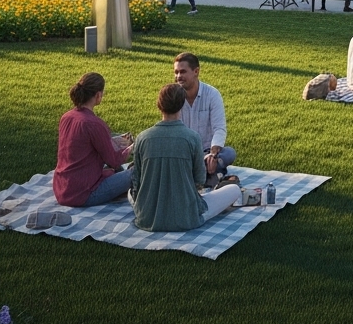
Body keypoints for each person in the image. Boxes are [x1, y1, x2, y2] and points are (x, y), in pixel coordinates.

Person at [129, 83, 241, 232]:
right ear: (181, 105)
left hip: (147, 216)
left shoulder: (142, 138)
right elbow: (199, 180)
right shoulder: (192, 138)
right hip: (186, 216)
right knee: (234, 190)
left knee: (130, 190)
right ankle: (218, 179)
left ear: (159, 105)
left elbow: (136, 182)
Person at [53, 73, 133, 207]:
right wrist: (131, 148)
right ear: (98, 95)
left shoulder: (66, 117)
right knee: (137, 173)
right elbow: (114, 161)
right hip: (84, 194)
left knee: (113, 171)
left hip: (62, 189)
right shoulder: (94, 124)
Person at [172, 52, 236, 184]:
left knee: (230, 153)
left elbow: (219, 128)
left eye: (183, 72)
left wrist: (213, 154)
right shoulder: (173, 96)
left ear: (196, 71)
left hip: (208, 153)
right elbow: (171, 130)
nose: (179, 76)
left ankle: (200, 172)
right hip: (184, 154)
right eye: (176, 72)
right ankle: (211, 175)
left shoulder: (212, 94)